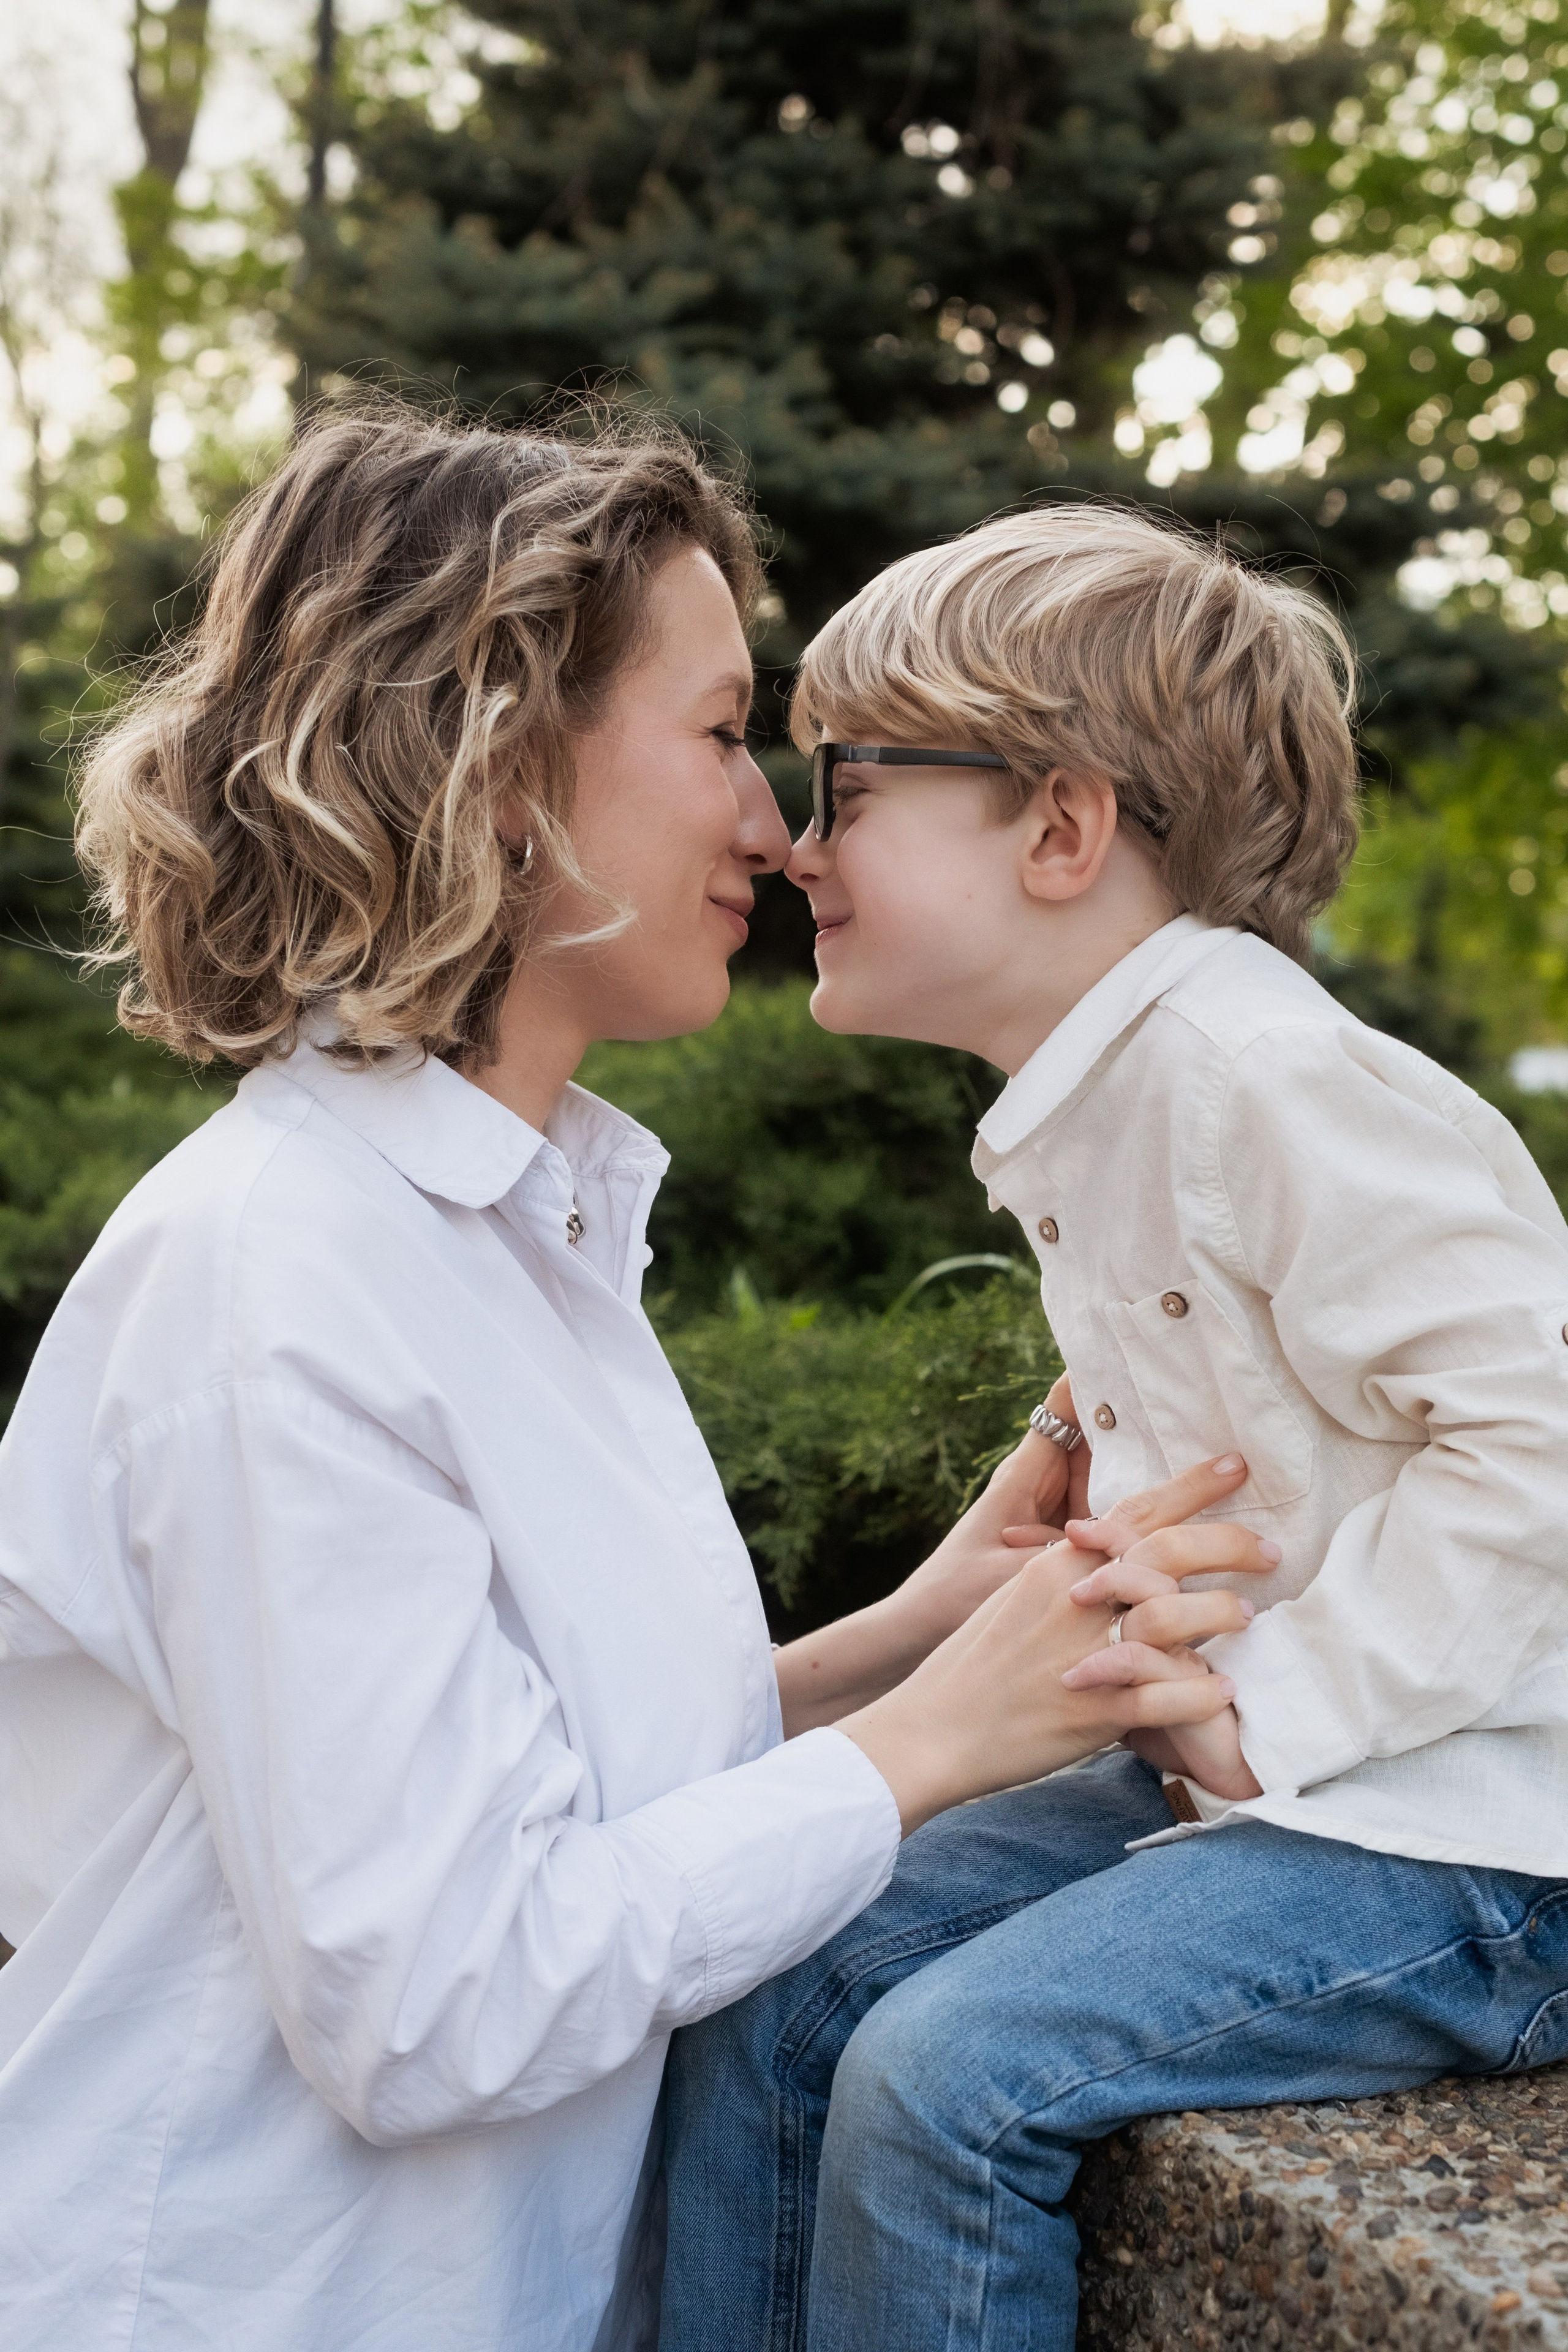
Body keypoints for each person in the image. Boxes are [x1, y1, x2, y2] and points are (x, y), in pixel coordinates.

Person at [0, 410, 1261, 2352]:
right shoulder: (279, 1280)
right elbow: (433, 1995)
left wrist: (918, 1640)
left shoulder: (518, 1229)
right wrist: (925, 1748)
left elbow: (524, 1783)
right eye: (721, 731)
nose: (779, 822)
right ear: (500, 761)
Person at [658, 503, 1568, 2352]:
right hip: (1270, 1799)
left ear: (1063, 828)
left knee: (943, 2083)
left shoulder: (1264, 1076)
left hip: (1472, 1842)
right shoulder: (1116, 1087)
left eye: (849, 787)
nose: (797, 843)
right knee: (766, 1986)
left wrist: (1270, 1713)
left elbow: (1541, 1437)